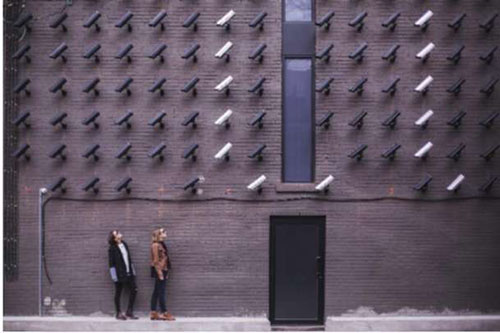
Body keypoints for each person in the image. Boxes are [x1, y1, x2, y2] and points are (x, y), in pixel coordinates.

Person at [108, 230, 138, 320]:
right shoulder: (112, 248)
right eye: (116, 233)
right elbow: (111, 264)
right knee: (118, 292)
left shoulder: (124, 244)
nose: (119, 233)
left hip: (129, 273)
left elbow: (128, 258)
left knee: (134, 290)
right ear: (114, 238)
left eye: (118, 232)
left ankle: (129, 311)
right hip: (119, 275)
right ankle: (118, 313)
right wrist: (114, 277)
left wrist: (132, 271)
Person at [150, 228, 175, 321]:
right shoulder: (155, 245)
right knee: (161, 292)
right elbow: (156, 261)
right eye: (163, 232)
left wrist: (166, 270)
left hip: (163, 269)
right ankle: (164, 312)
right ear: (159, 235)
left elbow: (165, 259)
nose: (165, 233)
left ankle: (153, 312)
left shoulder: (161, 244)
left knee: (157, 291)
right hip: (159, 270)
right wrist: (160, 273)